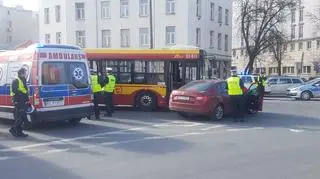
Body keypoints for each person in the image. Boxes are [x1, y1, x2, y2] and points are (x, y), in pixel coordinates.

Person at [9, 67, 29, 137]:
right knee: (20, 117)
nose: (26, 74)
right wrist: (22, 95)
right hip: (18, 101)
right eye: (25, 72)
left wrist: (26, 100)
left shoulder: (23, 79)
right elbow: (15, 91)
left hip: (23, 101)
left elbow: (25, 90)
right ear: (21, 73)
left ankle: (19, 132)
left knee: (22, 117)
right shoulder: (16, 80)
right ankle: (13, 129)